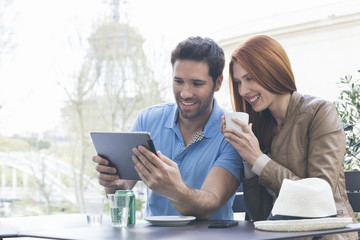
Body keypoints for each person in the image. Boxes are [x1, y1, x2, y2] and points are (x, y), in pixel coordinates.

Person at [221, 35, 357, 239]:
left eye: (250, 78)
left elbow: (319, 197)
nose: (243, 91)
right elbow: (260, 215)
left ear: (272, 70)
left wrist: (259, 160)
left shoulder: (320, 112)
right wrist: (248, 160)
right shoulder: (260, 127)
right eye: (238, 82)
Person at [93, 36, 243, 220]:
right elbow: (122, 188)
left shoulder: (232, 133)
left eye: (197, 83)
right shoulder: (148, 120)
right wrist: (113, 182)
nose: (185, 93)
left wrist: (175, 189)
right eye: (178, 81)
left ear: (218, 83)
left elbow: (211, 203)